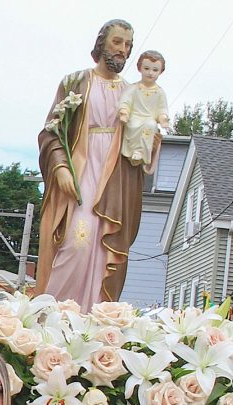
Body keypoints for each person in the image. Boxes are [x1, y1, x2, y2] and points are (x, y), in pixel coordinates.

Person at [36, 18, 150, 307]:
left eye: (128, 45)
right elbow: (51, 132)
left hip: (114, 180)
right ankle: (53, 315)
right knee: (76, 244)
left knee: (103, 253)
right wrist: (60, 166)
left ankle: (90, 320)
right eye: (117, 42)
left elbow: (142, 141)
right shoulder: (75, 82)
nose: (123, 50)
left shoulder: (134, 93)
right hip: (81, 171)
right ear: (102, 43)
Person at [117, 50, 169, 169]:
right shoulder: (133, 88)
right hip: (134, 116)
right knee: (133, 124)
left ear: (161, 72)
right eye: (147, 68)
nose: (150, 73)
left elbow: (162, 109)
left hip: (148, 119)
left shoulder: (159, 92)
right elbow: (126, 101)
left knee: (150, 125)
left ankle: (141, 151)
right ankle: (132, 150)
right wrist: (124, 111)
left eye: (155, 70)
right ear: (140, 68)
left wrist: (163, 118)